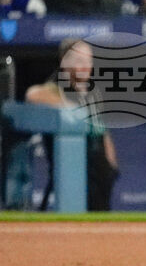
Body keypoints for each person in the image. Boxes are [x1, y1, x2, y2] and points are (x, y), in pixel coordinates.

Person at [25, 39, 119, 211]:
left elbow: (102, 130)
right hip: (74, 169)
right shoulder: (59, 86)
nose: (86, 66)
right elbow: (33, 94)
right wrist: (72, 106)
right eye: (79, 61)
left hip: (100, 171)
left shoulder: (91, 90)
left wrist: (111, 164)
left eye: (88, 61)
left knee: (101, 217)